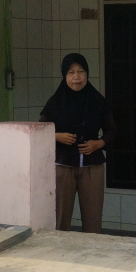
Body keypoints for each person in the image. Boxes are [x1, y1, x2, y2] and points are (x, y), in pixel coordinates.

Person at [40, 53, 116, 233]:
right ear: (64, 76)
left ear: (87, 73)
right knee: (60, 219)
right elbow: (39, 130)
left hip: (92, 166)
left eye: (81, 71)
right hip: (62, 166)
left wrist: (98, 144)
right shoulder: (55, 102)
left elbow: (112, 131)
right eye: (71, 72)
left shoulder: (97, 100)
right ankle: (59, 250)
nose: (76, 77)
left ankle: (91, 250)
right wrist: (57, 136)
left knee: (93, 219)